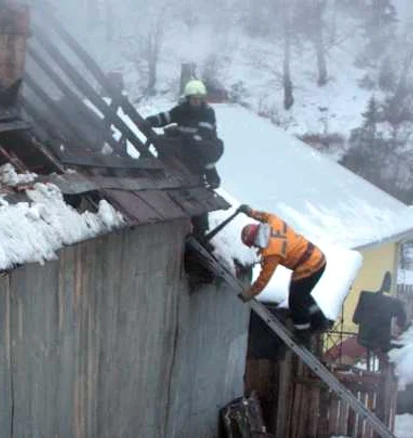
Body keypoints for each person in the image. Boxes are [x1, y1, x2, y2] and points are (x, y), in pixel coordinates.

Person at [237, 204, 332, 344]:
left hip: (309, 265)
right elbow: (265, 215)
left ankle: (303, 333)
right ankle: (319, 321)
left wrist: (249, 294)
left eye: (254, 244)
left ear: (256, 239)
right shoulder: (274, 223)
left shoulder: (271, 252)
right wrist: (250, 212)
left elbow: (263, 279)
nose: (255, 248)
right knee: (303, 293)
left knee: (296, 298)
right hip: (318, 258)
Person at [141, 79, 224, 189]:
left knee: (203, 153)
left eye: (199, 99)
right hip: (185, 143)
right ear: (188, 98)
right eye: (194, 98)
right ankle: (164, 169)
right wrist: (151, 121)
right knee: (163, 141)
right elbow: (167, 117)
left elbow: (202, 132)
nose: (197, 101)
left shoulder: (208, 112)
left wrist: (180, 132)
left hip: (207, 144)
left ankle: (213, 179)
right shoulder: (182, 109)